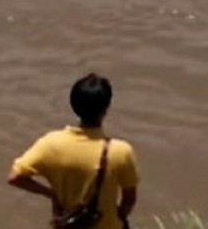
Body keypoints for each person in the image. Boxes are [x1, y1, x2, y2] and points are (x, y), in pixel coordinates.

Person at [8, 73, 139, 229]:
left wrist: (51, 193)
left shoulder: (50, 144)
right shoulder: (121, 151)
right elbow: (129, 200)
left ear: (73, 104)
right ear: (106, 109)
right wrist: (119, 216)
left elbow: (15, 178)